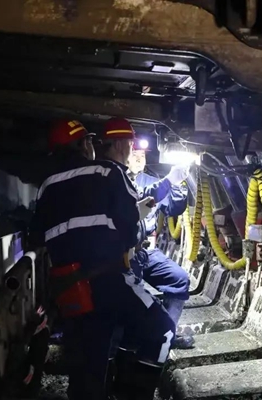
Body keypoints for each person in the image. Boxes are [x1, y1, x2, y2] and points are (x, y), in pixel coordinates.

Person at [30, 119, 176, 400]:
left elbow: (36, 236)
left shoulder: (47, 186)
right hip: (108, 280)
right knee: (162, 331)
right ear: (84, 145)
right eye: (89, 141)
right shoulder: (108, 172)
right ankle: (131, 395)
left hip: (71, 290)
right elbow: (131, 230)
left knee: (89, 364)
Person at [98, 118, 195, 350]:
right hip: (123, 253)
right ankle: (126, 346)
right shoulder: (114, 178)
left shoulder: (152, 180)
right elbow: (141, 199)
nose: (139, 158)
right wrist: (168, 181)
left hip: (145, 250)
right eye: (135, 152)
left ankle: (166, 336)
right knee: (129, 296)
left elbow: (174, 208)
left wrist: (178, 184)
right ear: (123, 151)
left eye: (143, 155)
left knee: (179, 279)